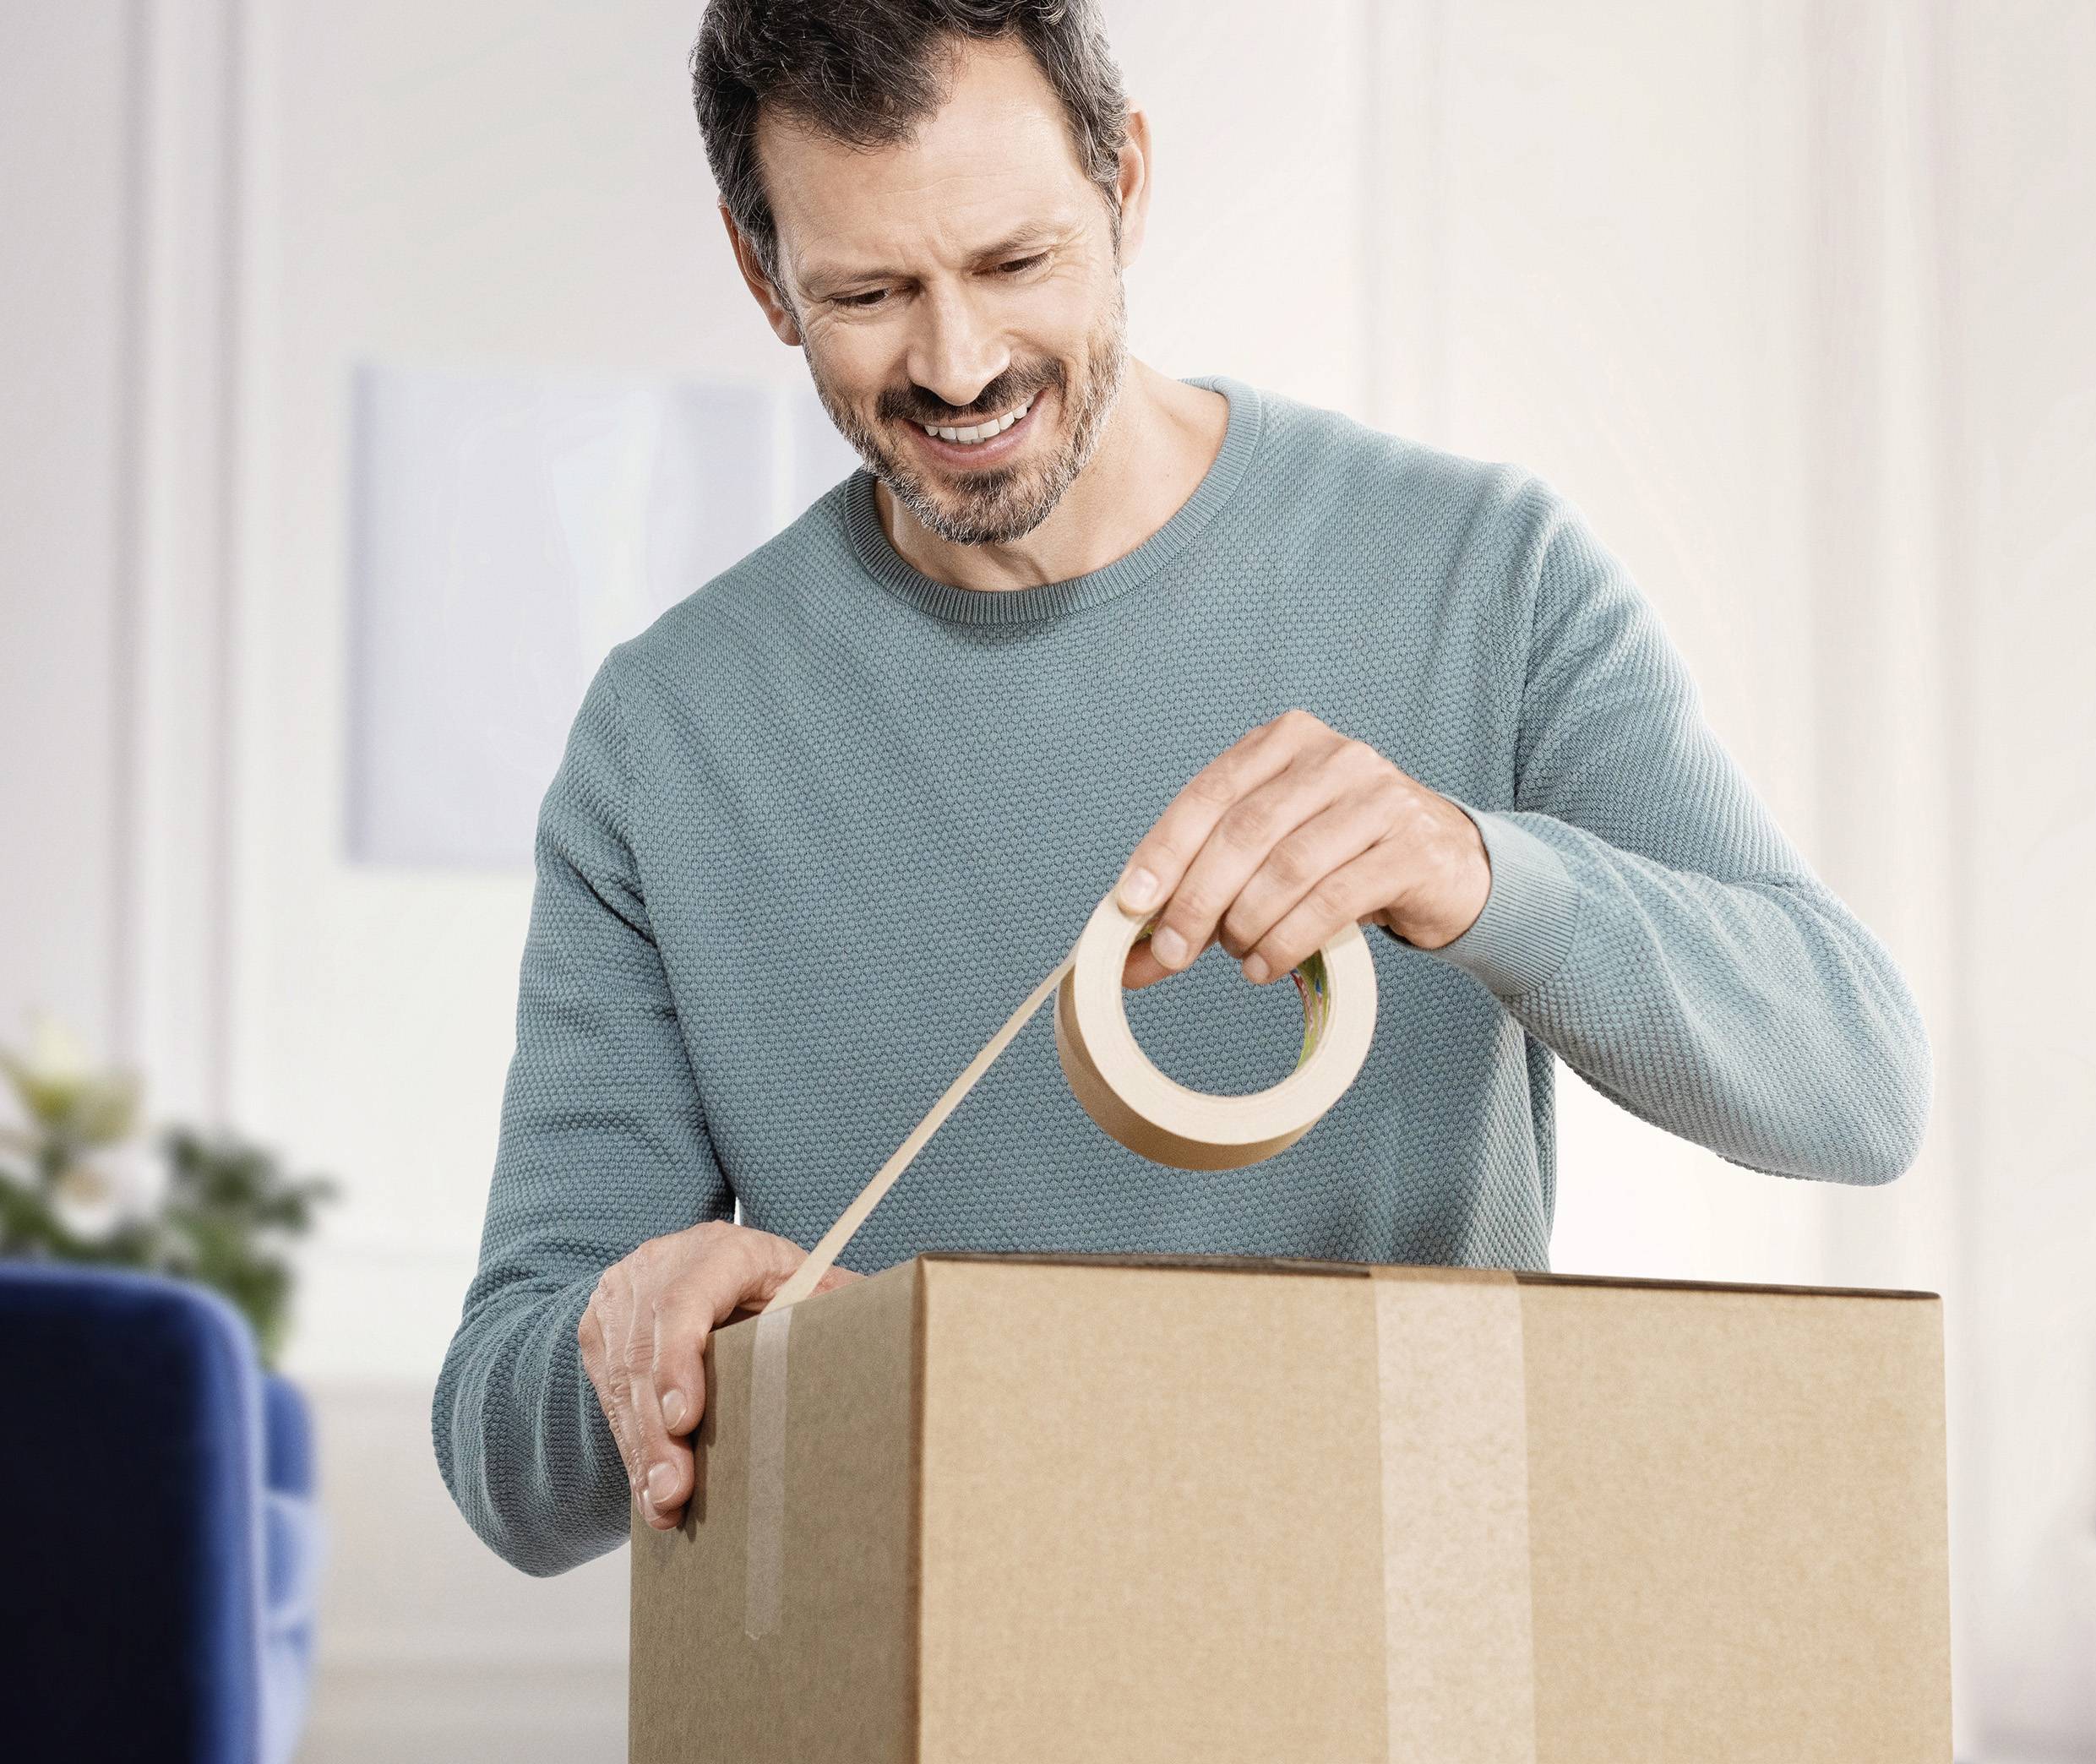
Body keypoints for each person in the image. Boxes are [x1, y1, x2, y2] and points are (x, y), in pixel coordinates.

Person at [433, 0, 1932, 1577]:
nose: (957, 364)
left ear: (1124, 184)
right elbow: (500, 1458)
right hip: (926, 1669)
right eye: (868, 292)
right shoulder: (667, 736)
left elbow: (1857, 1088)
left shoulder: (1478, 577)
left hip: (1397, 1641)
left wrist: (1480, 872)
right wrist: (632, 1333)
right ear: (764, 278)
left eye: (1015, 264)